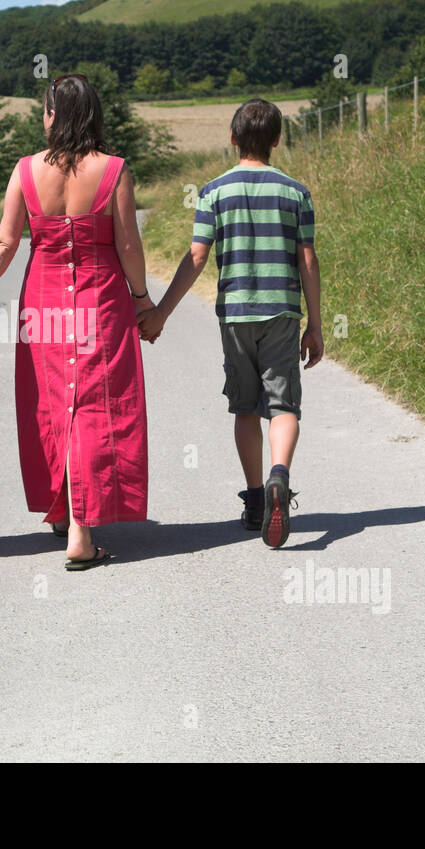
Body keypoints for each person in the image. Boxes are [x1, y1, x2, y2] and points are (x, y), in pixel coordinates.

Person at [0, 75, 150, 570]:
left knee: (55, 404)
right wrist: (141, 299)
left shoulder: (26, 170)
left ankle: (65, 512)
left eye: (46, 111)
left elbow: (2, 247)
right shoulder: (114, 170)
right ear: (93, 115)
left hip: (44, 302)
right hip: (101, 303)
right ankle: (80, 527)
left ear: (55, 116)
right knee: (95, 405)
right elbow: (130, 247)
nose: (43, 118)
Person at [137, 98, 322, 548]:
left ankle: (257, 500)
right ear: (278, 140)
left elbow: (197, 257)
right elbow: (308, 260)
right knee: (284, 407)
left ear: (233, 138)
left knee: (244, 408)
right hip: (282, 312)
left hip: (235, 315)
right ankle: (281, 475)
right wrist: (315, 324)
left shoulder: (213, 192)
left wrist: (160, 313)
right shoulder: (296, 193)